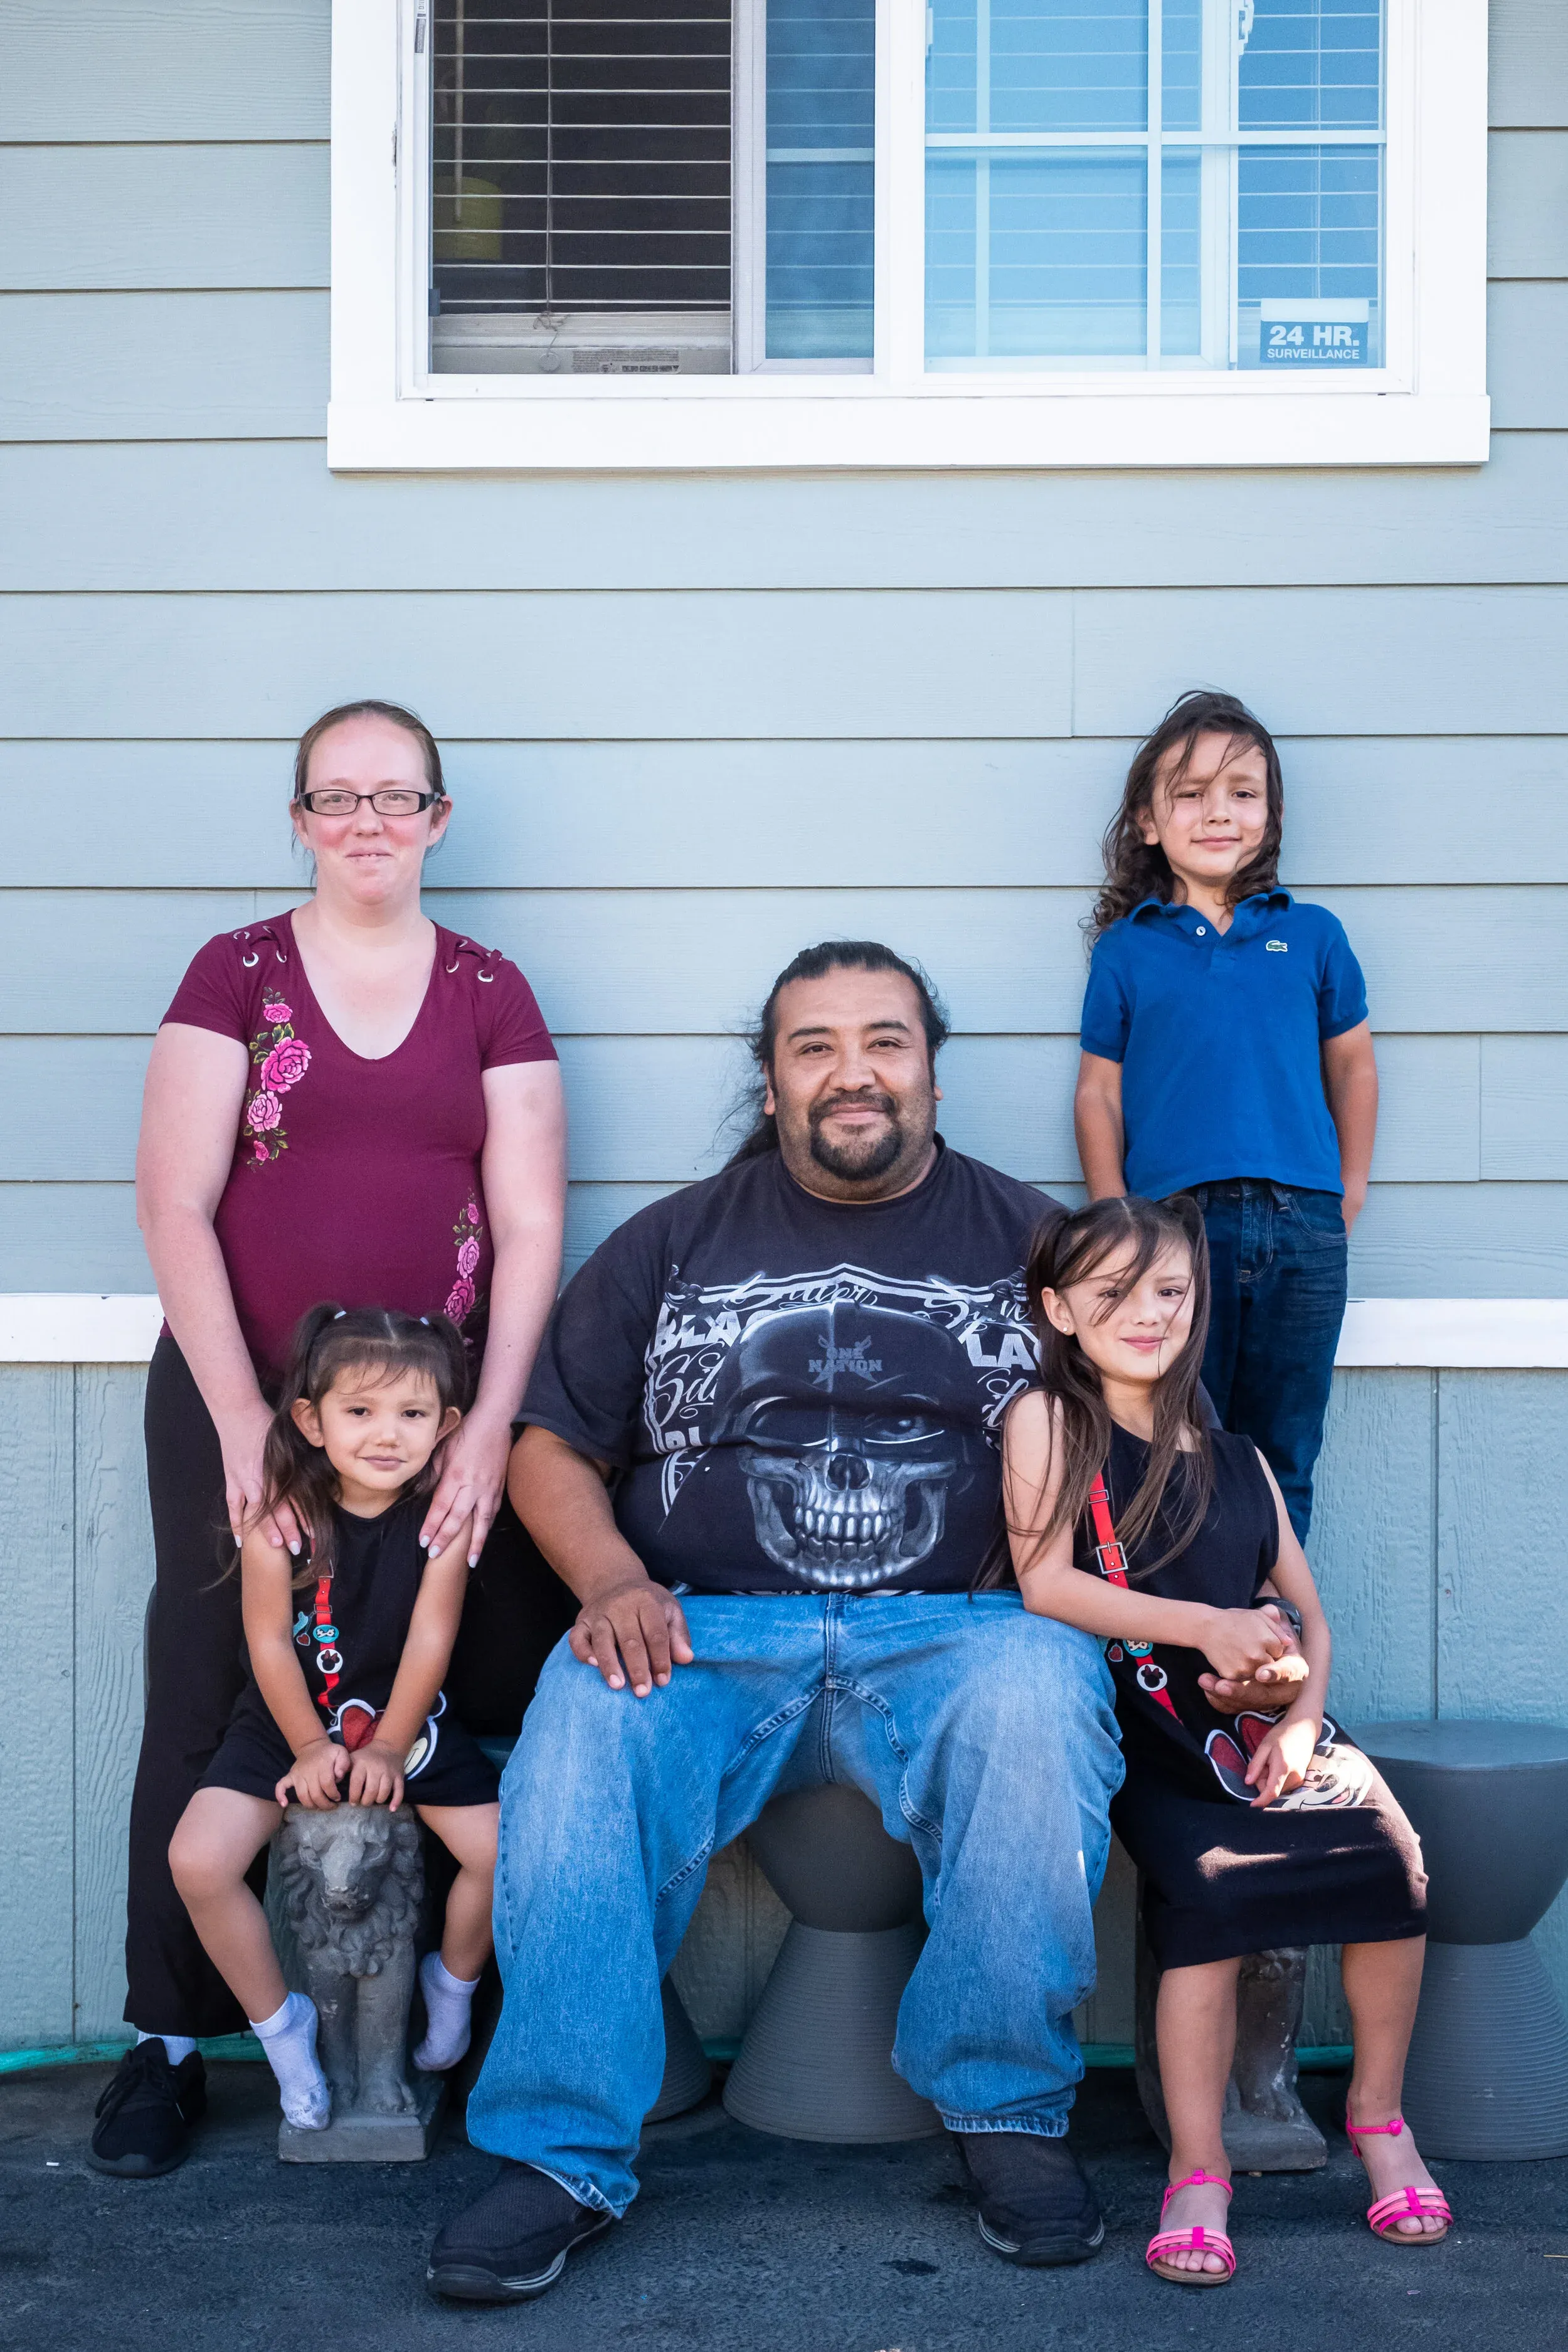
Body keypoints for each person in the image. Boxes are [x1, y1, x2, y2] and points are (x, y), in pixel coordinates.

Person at [425, 940, 1123, 2306]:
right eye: (813, 1046)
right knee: (577, 1726)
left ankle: (1007, 2115)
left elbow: (1156, 1426)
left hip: (959, 1626)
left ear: (930, 1068)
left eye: (883, 1040)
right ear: (769, 1080)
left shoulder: (1034, 1245)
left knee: (1042, 1694)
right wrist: (613, 1581)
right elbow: (548, 1444)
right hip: (698, 1627)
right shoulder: (674, 1241)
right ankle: (558, 2153)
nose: (850, 1072)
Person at [92, 699, 570, 2179]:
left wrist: (490, 1421)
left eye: (396, 797)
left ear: (437, 819)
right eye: (336, 798)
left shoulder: (489, 987)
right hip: (252, 1393)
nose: (367, 821)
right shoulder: (234, 973)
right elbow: (175, 1196)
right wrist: (245, 1415)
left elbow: (534, 1213)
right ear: (299, 819)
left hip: (437, 1411)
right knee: (211, 1684)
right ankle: (171, 2041)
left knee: (480, 1665)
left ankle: (459, 2010)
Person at [1004, 1193, 1444, 2289]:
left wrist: (1301, 1718)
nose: (1147, 1313)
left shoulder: (1240, 1459)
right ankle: (1200, 2167)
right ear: (1059, 1309)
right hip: (1160, 1736)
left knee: (1394, 1860)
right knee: (1207, 1897)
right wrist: (1204, 1625)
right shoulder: (1052, 1425)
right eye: (1111, 1293)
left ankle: (1379, 2117)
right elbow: (1045, 1580)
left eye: (1169, 1291)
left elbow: (1313, 1616)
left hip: (1271, 1728)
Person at [169, 1306, 501, 2128]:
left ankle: (450, 1983)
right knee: (199, 1860)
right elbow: (269, 1640)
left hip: (408, 1720)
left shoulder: (442, 1518)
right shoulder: (278, 1514)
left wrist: (391, 1743)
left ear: (446, 1425)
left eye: (413, 1413)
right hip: (286, 1722)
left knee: (506, 1854)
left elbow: (433, 1634)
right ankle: (284, 2033)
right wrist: (308, 1744)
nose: (388, 1434)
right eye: (361, 1410)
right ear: (312, 1419)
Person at [1073, 689, 1379, 1540]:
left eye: (1242, 792)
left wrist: (1347, 1187)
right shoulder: (1130, 949)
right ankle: (1190, 1639)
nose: (1219, 812)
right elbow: (1099, 1091)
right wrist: (1115, 1219)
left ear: (1272, 816)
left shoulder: (1313, 935)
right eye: (1191, 791)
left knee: (1282, 1450)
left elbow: (1352, 1064)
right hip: (1177, 1229)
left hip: (1305, 1226)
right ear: (1147, 819)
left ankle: (1271, 1641)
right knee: (1176, 1441)